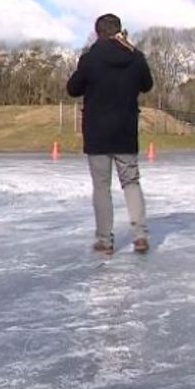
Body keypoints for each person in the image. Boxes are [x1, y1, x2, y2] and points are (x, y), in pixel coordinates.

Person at [67, 13, 154, 255]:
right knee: (131, 182)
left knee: (101, 187)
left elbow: (72, 89)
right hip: (125, 130)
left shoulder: (90, 58)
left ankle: (105, 240)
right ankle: (139, 235)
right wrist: (135, 53)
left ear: (97, 33)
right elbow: (147, 85)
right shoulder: (135, 57)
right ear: (120, 31)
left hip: (97, 132)